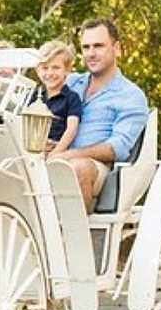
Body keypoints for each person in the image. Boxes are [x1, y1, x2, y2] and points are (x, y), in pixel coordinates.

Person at [50, 19, 148, 209]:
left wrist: (69, 155)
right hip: (55, 156)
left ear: (116, 48)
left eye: (98, 46)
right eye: (86, 47)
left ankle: (73, 236)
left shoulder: (130, 95)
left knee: (78, 168)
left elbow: (117, 148)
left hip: (96, 168)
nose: (91, 53)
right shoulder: (70, 83)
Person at [30, 39, 81, 156]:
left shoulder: (72, 98)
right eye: (45, 68)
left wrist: (56, 152)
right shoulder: (33, 95)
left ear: (67, 70)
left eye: (56, 68)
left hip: (57, 149)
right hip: (33, 149)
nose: (50, 73)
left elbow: (71, 130)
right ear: (38, 70)